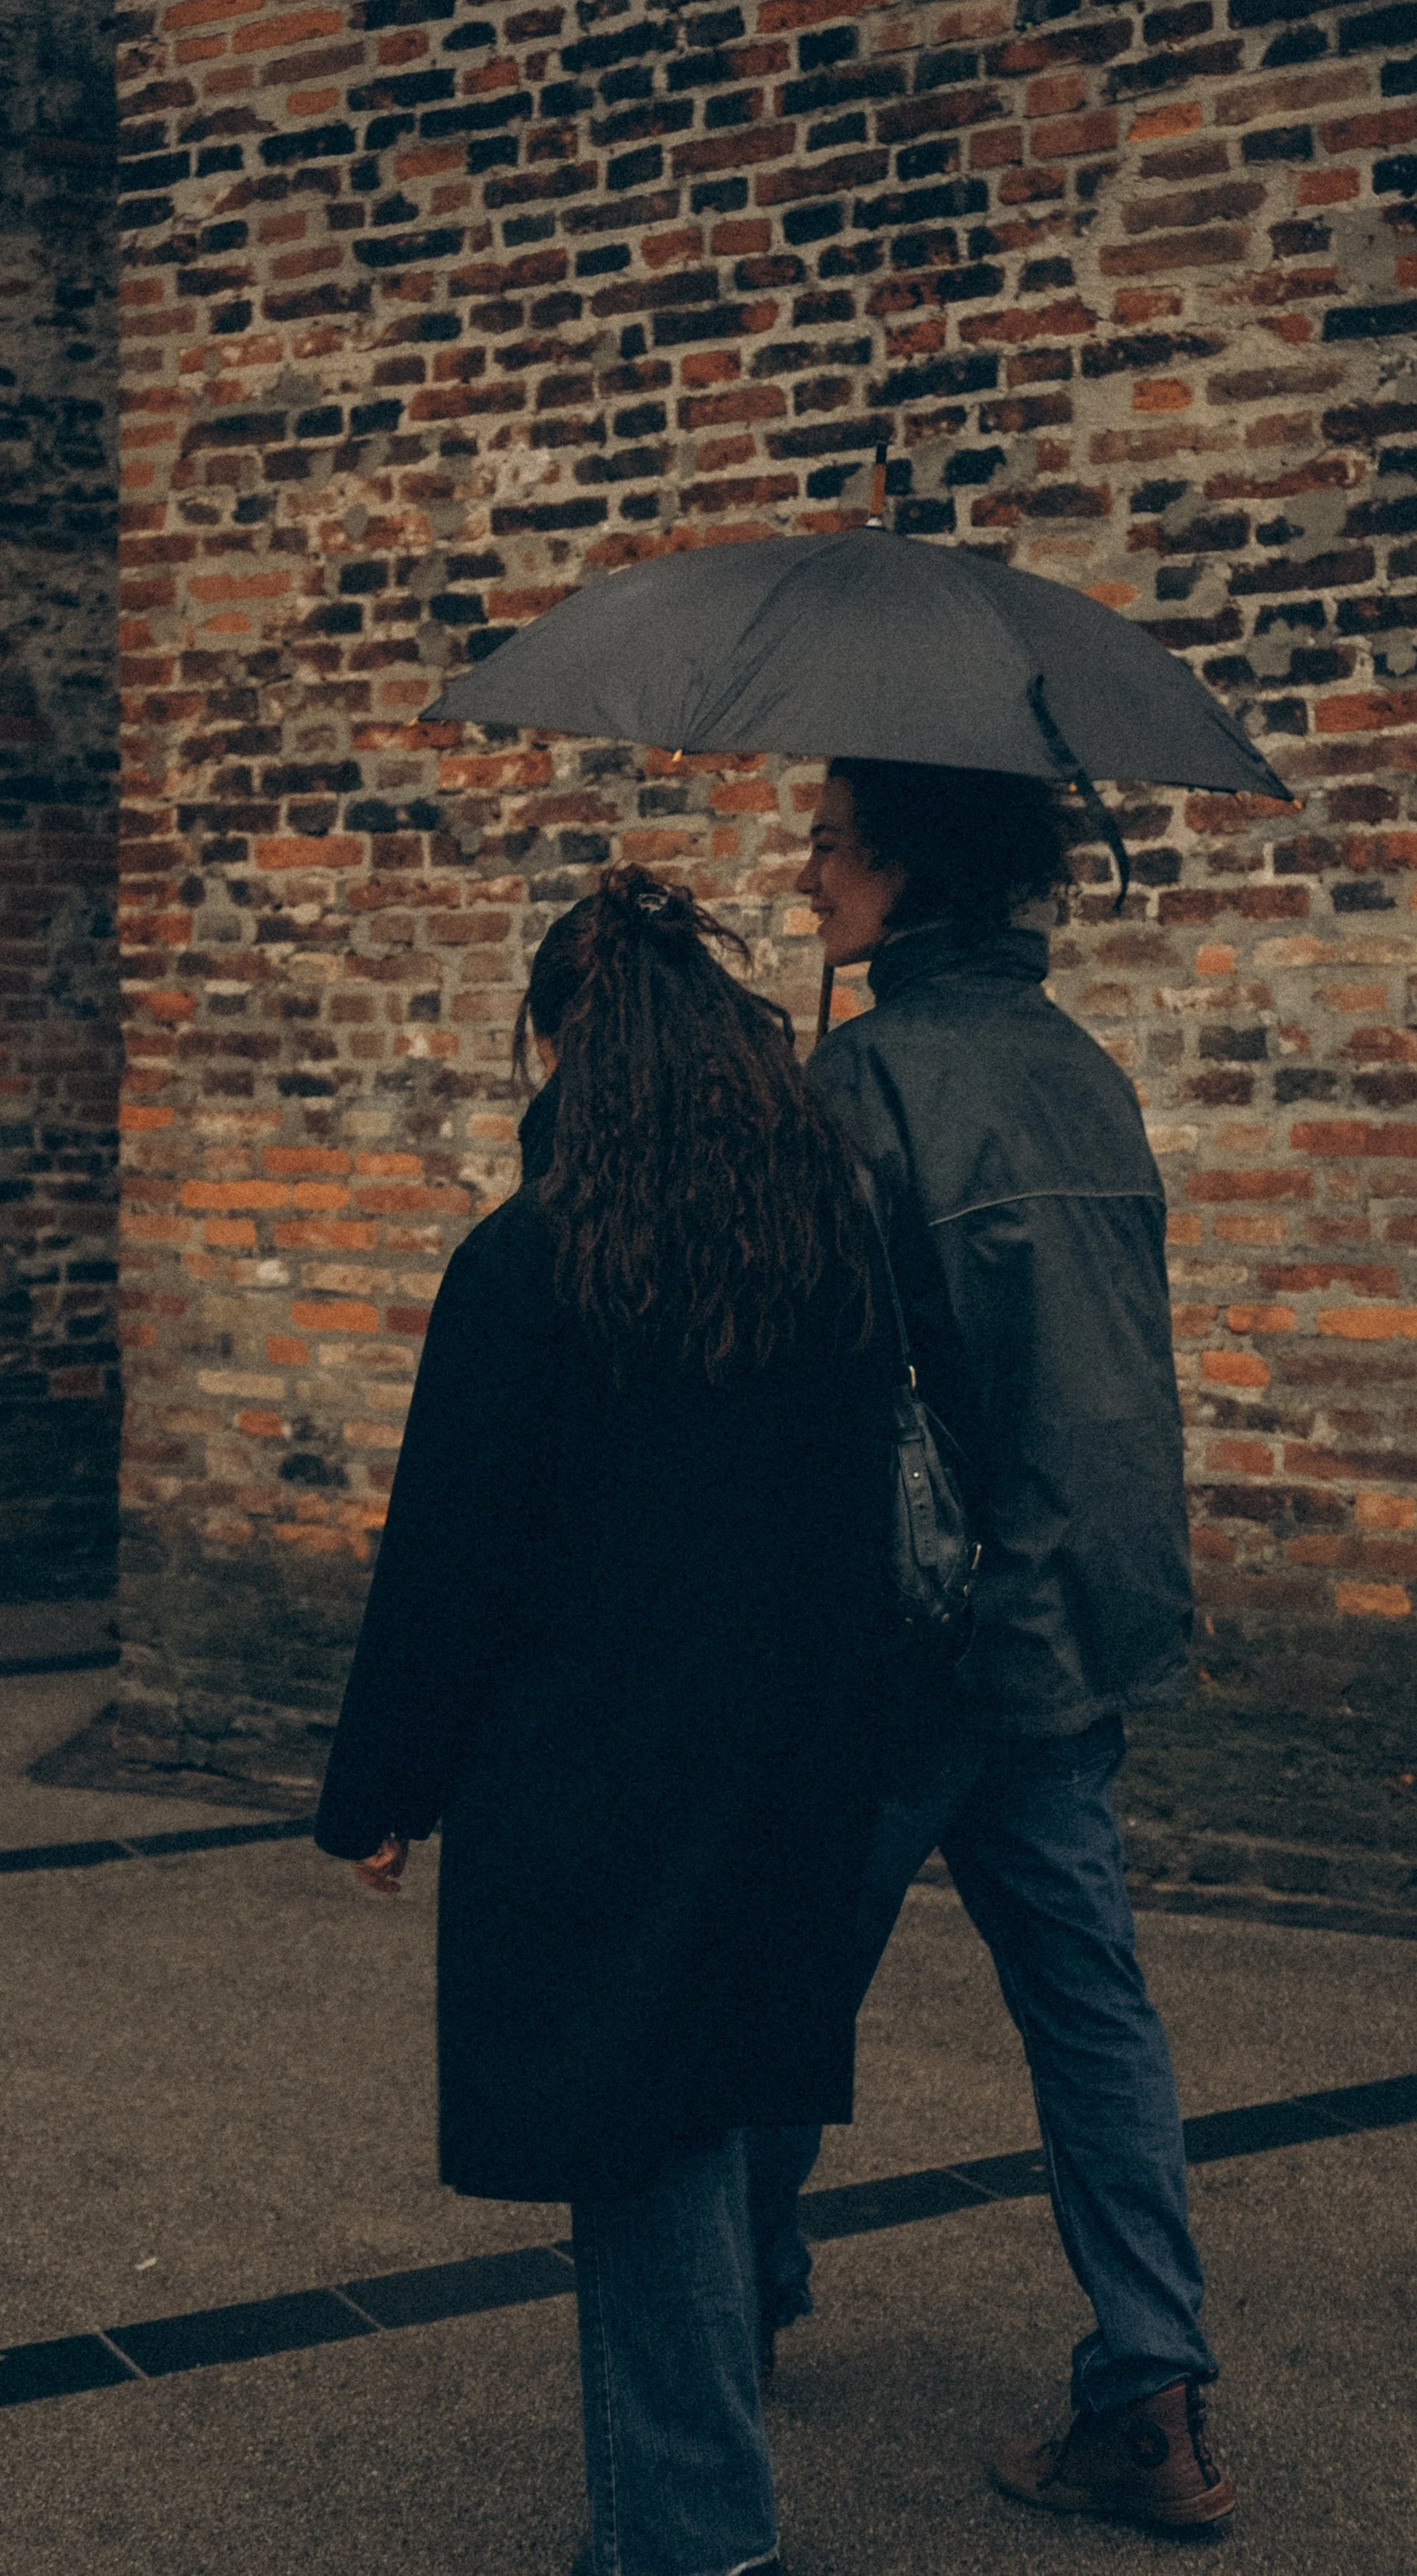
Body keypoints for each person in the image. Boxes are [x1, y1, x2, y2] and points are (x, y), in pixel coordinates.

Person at [313, 866, 897, 2576]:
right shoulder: (818, 1239)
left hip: (590, 1786)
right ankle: (671, 2517)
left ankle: (697, 2538)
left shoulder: (527, 1264)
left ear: (564, 1045)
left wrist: (381, 1790)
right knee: (691, 2122)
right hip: (776, 1765)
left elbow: (449, 1563)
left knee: (637, 2149)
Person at [746, 758, 1234, 2536]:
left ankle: (733, 2299)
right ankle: (1151, 2390)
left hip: (916, 1637)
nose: (804, 878)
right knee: (1091, 2011)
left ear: (904, 864)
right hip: (1069, 1628)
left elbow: (792, 1388)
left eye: (826, 844)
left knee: (774, 1982)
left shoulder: (864, 1081)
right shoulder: (1081, 1071)